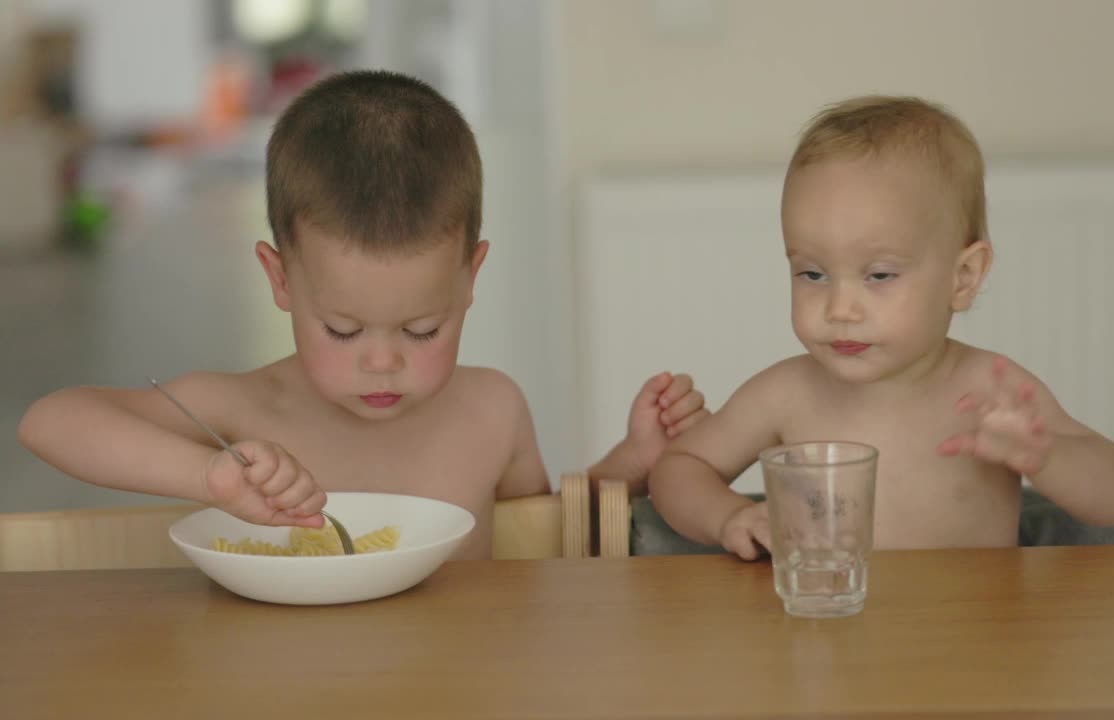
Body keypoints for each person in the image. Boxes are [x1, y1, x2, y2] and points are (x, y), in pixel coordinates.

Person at [19, 70, 708, 559]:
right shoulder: (244, 409)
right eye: (343, 330)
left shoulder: (492, 410)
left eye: (422, 330)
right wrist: (209, 478)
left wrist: (633, 462)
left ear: (471, 278)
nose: (382, 361)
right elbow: (49, 422)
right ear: (279, 279)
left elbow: (535, 534)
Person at [649, 95, 1114, 560]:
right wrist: (727, 516)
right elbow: (679, 469)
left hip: (972, 641)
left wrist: (1046, 456)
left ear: (962, 277)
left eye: (879, 275)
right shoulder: (784, 393)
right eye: (812, 274)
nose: (840, 308)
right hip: (824, 632)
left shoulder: (989, 388)